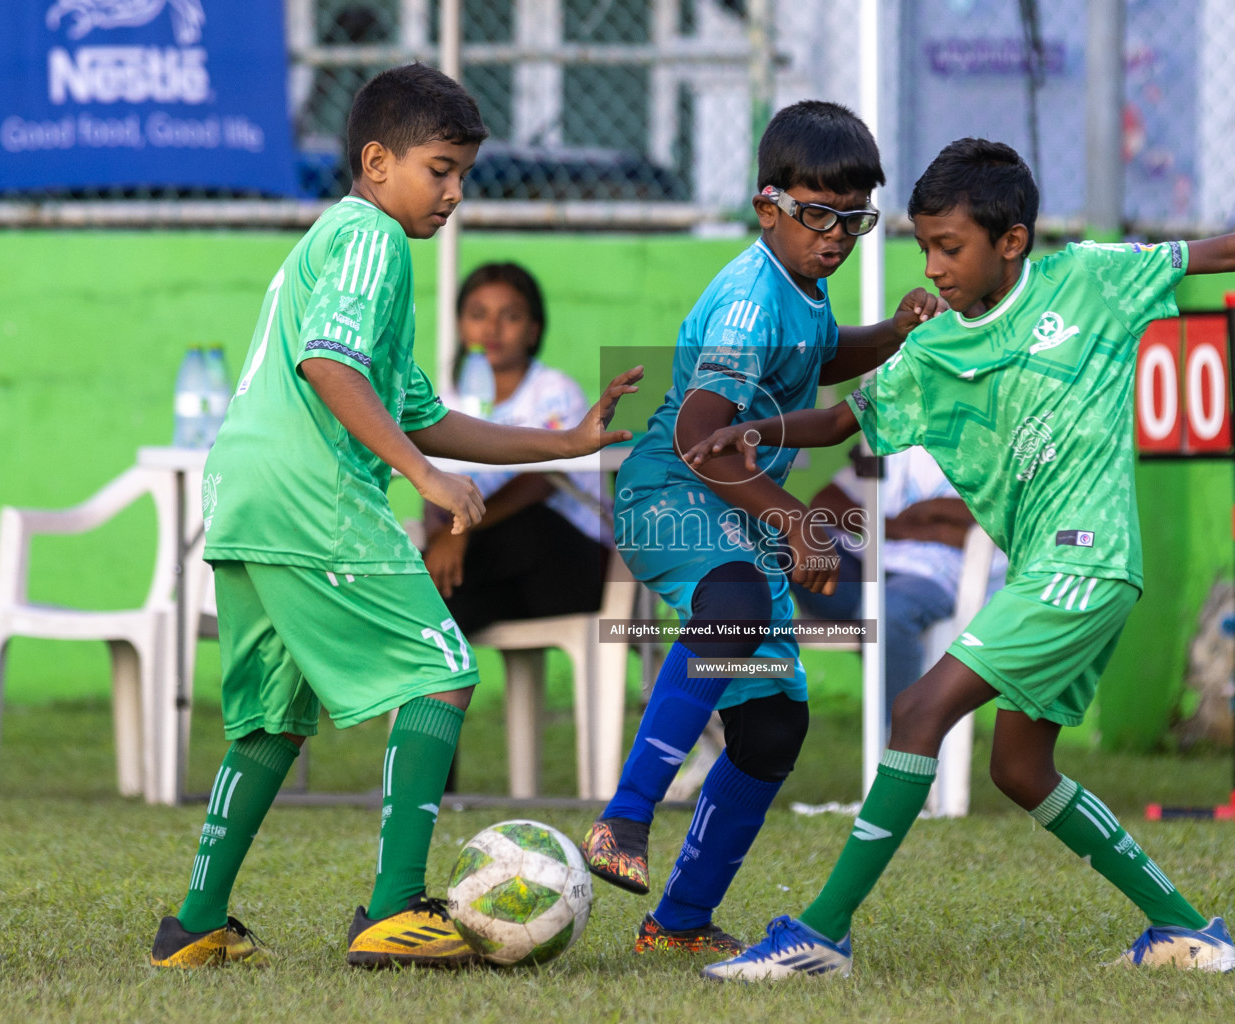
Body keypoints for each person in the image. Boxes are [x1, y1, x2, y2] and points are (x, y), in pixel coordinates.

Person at [684, 138, 1235, 980]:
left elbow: (1220, 251)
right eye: (925, 247)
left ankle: (820, 936)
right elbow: (840, 422)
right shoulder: (934, 353)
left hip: (1087, 563)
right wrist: (757, 428)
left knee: (917, 713)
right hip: (1050, 573)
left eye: (952, 247)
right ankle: (1185, 929)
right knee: (1019, 768)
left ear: (1010, 241)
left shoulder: (1091, 278)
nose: (934, 268)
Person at [148, 63, 641, 970]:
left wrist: (566, 441)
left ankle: (195, 923)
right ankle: (392, 909)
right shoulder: (373, 237)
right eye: (440, 169)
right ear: (377, 162)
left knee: (270, 723)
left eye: (462, 176)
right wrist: (420, 478)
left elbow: (420, 411)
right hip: (311, 498)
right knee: (445, 669)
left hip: (244, 501)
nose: (454, 193)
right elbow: (330, 370)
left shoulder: (339, 241)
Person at [580, 99, 947, 957]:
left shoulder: (801, 289)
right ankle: (624, 821)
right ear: (768, 206)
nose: (837, 236)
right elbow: (698, 437)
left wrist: (892, 333)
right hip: (674, 494)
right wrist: (796, 520)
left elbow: (818, 356)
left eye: (854, 219)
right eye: (818, 214)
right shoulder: (750, 300)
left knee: (774, 724)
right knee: (736, 606)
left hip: (737, 515)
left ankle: (677, 923)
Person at [422, 262, 607, 636]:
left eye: (511, 316)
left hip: (572, 566)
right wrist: (438, 534)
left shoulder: (556, 392)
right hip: (498, 573)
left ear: (533, 330)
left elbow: (541, 481)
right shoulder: (447, 400)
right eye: (478, 315)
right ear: (460, 325)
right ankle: (407, 683)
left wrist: (460, 533)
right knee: (442, 609)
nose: (492, 329)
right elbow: (431, 482)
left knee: (525, 525)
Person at [791, 445, 1008, 715]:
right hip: (865, 570)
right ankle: (738, 701)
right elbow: (826, 503)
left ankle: (897, 736)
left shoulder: (991, 445)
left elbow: (1005, 513)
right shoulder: (896, 441)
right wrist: (896, 527)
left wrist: (935, 509)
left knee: (887, 611)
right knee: (783, 533)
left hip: (934, 577)